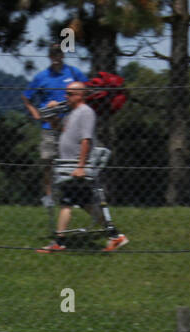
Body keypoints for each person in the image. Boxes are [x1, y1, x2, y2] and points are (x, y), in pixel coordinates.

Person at [37, 82, 127, 253]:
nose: (66, 96)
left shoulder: (86, 113)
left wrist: (81, 166)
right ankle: (116, 236)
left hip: (76, 166)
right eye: (66, 93)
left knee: (66, 203)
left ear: (81, 95)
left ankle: (59, 242)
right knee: (86, 203)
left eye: (70, 93)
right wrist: (52, 117)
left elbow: (86, 140)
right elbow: (61, 130)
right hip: (69, 165)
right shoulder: (72, 114)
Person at [22, 43, 87, 207]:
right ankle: (48, 196)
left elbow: (87, 90)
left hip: (71, 125)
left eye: (59, 54)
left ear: (63, 55)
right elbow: (26, 97)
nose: (56, 58)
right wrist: (36, 113)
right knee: (48, 161)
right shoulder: (41, 77)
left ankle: (75, 196)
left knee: (73, 161)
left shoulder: (73, 73)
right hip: (49, 126)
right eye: (53, 55)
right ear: (49, 57)